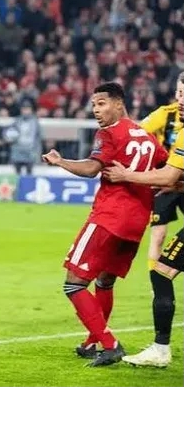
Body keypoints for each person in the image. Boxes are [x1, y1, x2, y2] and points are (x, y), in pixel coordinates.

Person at [42, 82, 167, 367]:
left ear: (119, 103)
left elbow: (91, 169)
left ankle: (110, 344)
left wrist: (60, 161)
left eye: (101, 103)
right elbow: (167, 171)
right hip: (136, 224)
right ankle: (92, 341)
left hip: (109, 218)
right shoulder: (147, 137)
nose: (96, 111)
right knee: (104, 281)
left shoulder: (109, 133)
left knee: (74, 284)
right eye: (93, 105)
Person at [104, 72, 184, 367]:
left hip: (163, 178)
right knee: (161, 255)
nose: (180, 100)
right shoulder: (168, 118)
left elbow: (168, 175)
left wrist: (127, 175)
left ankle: (161, 350)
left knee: (161, 273)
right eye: (179, 93)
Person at [139, 78, 183, 287]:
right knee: (158, 234)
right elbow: (138, 133)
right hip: (164, 181)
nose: (180, 99)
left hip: (179, 180)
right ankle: (157, 285)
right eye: (179, 93)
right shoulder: (165, 114)